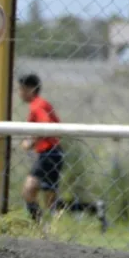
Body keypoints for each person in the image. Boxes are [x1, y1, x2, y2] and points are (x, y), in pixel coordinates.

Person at [17, 73, 107, 231]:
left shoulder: (38, 105)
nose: (19, 93)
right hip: (49, 154)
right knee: (51, 202)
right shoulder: (39, 104)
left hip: (49, 154)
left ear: (29, 89)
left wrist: (30, 142)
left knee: (29, 190)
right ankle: (94, 208)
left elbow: (46, 126)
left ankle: (39, 228)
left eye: (21, 89)